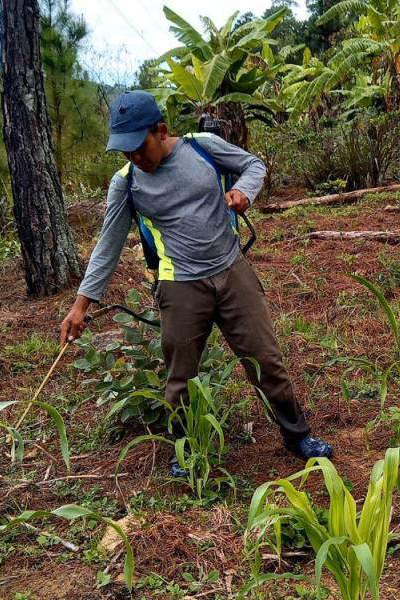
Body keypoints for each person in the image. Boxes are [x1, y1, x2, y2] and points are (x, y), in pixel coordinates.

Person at [60, 90, 332, 473]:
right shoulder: (126, 184)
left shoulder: (201, 148)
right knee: (181, 377)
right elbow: (108, 244)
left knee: (266, 361)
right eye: (125, 152)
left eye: (139, 148)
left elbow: (253, 165)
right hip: (180, 284)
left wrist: (243, 193)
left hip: (231, 269)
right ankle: (184, 450)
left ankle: (297, 436)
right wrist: (80, 307)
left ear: (161, 131)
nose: (135, 158)